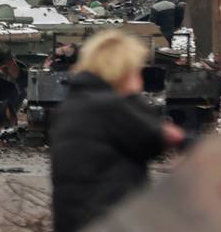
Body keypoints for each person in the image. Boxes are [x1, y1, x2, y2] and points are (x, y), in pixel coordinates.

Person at [49, 30, 185, 232]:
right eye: (135, 69)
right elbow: (152, 140)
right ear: (121, 69)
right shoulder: (108, 106)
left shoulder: (75, 104)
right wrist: (132, 96)